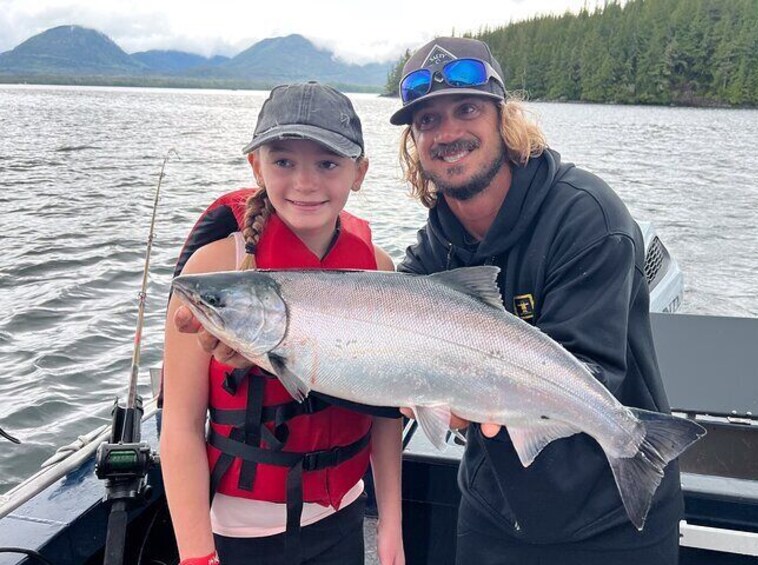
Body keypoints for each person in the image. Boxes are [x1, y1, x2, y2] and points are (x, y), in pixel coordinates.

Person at [389, 37, 683, 564]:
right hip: (496, 510)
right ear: (414, 141)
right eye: (427, 121)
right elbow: (376, 332)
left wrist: (459, 394)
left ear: (505, 118)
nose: (448, 132)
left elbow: (592, 371)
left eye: (467, 109)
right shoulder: (437, 246)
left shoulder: (588, 218)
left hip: (614, 517)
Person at [160, 82, 405, 565]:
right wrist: (196, 556)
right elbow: (180, 428)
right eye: (284, 161)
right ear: (256, 166)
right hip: (242, 532)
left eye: (328, 163)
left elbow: (385, 411)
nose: (305, 183)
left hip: (344, 514)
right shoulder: (210, 275)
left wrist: (392, 524)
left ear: (359, 173)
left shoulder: (379, 269)